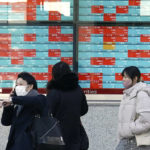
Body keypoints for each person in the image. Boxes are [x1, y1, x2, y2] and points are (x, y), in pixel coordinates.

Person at [46, 61, 88, 150]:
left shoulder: (54, 92)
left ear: (54, 75)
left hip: (57, 137)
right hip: (75, 135)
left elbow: (47, 113)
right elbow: (84, 110)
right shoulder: (78, 89)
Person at [1, 72, 47, 150]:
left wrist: (13, 100)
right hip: (15, 145)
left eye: (21, 84)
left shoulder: (39, 99)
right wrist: (8, 107)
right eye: (16, 85)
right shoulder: (18, 103)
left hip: (31, 145)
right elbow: (5, 122)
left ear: (30, 86)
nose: (17, 87)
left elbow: (32, 101)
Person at [116, 66, 150, 150]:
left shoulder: (141, 94)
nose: (123, 79)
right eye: (123, 77)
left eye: (126, 77)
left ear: (135, 78)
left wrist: (130, 129)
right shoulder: (127, 94)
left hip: (136, 142)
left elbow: (147, 121)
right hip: (126, 140)